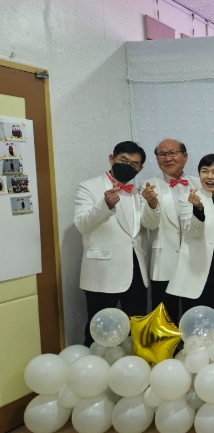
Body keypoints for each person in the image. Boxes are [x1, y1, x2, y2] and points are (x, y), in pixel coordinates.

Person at [74, 141, 161, 346]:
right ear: (111, 159)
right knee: (99, 328)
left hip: (136, 270)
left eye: (134, 164)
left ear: (140, 169)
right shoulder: (89, 187)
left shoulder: (139, 191)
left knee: (136, 327)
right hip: (102, 272)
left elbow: (150, 224)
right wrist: (105, 205)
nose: (128, 166)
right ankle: (93, 364)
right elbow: (82, 225)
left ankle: (134, 364)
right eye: (123, 160)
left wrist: (152, 204)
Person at [167, 154, 214, 341]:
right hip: (194, 273)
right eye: (204, 171)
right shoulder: (188, 199)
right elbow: (193, 232)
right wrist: (198, 211)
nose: (209, 176)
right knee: (194, 328)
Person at [146, 139, 199, 324]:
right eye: (162, 154)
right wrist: (152, 204)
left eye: (172, 153)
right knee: (165, 320)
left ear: (185, 156)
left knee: (194, 318)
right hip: (163, 262)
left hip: (194, 263)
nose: (167, 158)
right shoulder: (148, 186)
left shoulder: (200, 184)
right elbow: (149, 224)